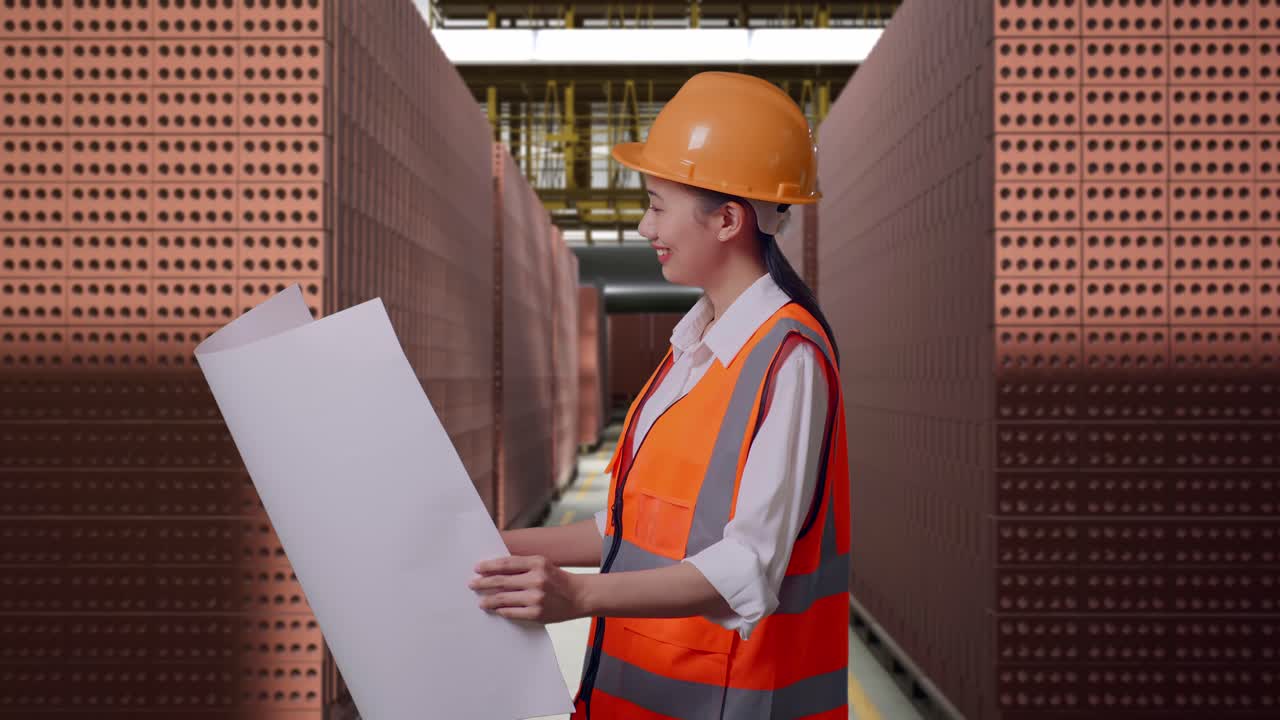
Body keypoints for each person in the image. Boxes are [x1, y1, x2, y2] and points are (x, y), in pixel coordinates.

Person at [468, 71, 851, 720]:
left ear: (728, 219)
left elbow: (747, 566)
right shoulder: (690, 351)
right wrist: (495, 546)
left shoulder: (789, 359)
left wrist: (580, 598)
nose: (646, 226)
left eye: (656, 203)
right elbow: (635, 527)